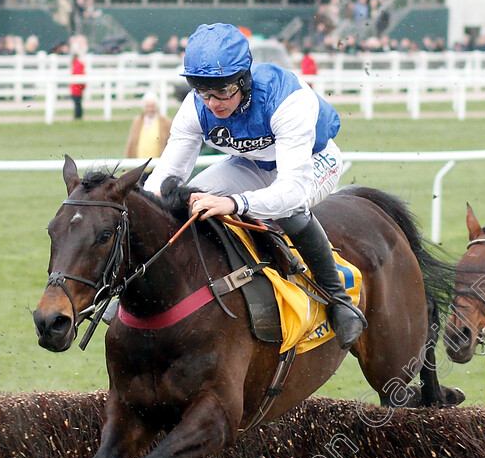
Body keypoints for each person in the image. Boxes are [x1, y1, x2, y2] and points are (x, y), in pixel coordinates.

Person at [141, 22, 366, 349]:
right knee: (184, 206)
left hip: (312, 161)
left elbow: (291, 189)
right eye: (204, 92)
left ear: (244, 79)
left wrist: (234, 204)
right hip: (251, 164)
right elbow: (164, 178)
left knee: (288, 209)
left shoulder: (288, 100)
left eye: (223, 91)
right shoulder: (194, 107)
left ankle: (338, 299)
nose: (214, 103)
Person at [124, 91, 172, 181]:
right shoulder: (137, 121)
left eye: (152, 106)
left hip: (158, 167)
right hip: (139, 167)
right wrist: (127, 168)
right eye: (147, 107)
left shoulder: (166, 122)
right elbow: (130, 144)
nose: (150, 109)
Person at [69, 47, 85, 120]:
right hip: (78, 87)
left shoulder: (75, 64)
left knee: (77, 103)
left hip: (76, 87)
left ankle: (78, 116)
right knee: (78, 103)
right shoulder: (78, 64)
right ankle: (78, 116)